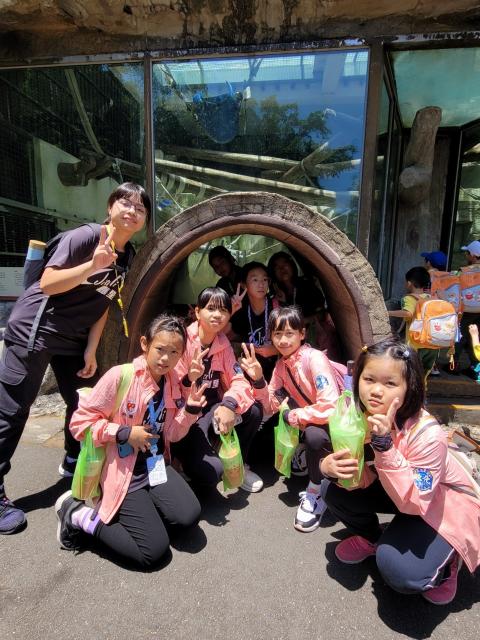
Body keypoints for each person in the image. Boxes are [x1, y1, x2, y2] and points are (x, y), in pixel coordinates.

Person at [0, 182, 150, 535]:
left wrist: (91, 348)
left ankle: (72, 459)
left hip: (73, 339)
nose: (132, 211)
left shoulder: (128, 255)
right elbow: (48, 283)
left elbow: (104, 302)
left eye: (140, 208)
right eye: (125, 203)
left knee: (86, 401)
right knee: (13, 410)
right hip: (35, 330)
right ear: (110, 207)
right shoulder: (85, 238)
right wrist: (91, 265)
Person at [321, 337, 480, 605]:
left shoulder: (427, 434)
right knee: (332, 489)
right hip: (399, 490)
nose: (376, 391)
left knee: (400, 571)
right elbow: (360, 474)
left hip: (441, 503)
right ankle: (373, 538)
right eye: (369, 379)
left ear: (410, 387)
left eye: (390, 383)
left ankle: (448, 560)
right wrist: (327, 468)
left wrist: (384, 446)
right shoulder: (359, 418)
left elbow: (416, 502)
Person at [55, 315, 205, 569]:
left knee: (188, 517)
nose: (166, 359)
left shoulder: (171, 382)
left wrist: (190, 411)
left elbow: (171, 434)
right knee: (152, 552)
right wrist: (124, 433)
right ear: (145, 344)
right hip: (121, 469)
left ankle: (146, 511)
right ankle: (78, 514)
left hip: (154, 465)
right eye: (160, 349)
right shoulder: (120, 376)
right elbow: (80, 423)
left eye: (174, 352)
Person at [239, 306, 342, 532]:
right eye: (278, 334)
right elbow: (270, 405)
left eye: (289, 333)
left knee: (314, 436)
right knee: (277, 423)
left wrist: (292, 415)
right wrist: (258, 379)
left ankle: (317, 490)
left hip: (335, 424)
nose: (283, 340)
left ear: (302, 334)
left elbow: (330, 407)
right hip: (311, 417)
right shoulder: (281, 366)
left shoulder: (314, 359)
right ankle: (308, 455)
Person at [172, 287, 264, 492]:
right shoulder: (181, 341)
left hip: (213, 407)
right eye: (211, 308)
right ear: (197, 312)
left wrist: (228, 405)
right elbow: (171, 388)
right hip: (188, 413)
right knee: (211, 473)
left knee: (254, 411)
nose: (217, 315)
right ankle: (183, 459)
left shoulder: (223, 344)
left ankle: (239, 464)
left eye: (223, 310)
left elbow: (238, 380)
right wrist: (188, 379)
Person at [267, 251, 340, 360]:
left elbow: (322, 315)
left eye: (285, 263)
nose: (282, 268)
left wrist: (299, 322)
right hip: (291, 341)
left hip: (317, 338)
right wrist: (282, 301)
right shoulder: (275, 295)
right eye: (277, 267)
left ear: (292, 265)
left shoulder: (307, 285)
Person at [230, 261, 279, 381]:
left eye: (265, 279)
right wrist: (231, 310)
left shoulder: (278, 308)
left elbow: (297, 341)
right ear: (244, 285)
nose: (261, 284)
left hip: (278, 371)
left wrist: (276, 350)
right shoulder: (241, 310)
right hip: (250, 372)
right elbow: (221, 334)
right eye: (255, 280)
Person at [388, 266, 437, 382]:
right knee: (424, 372)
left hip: (416, 343)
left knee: (412, 371)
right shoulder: (431, 298)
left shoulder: (409, 298)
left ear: (409, 283)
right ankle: (422, 391)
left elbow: (408, 313)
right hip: (433, 343)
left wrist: (388, 312)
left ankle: (413, 392)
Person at [455, 240, 480, 379]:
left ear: (473, 255)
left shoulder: (463, 271)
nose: (466, 255)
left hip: (466, 310)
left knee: (460, 336)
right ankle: (475, 367)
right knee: (476, 337)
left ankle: (454, 365)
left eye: (467, 253)